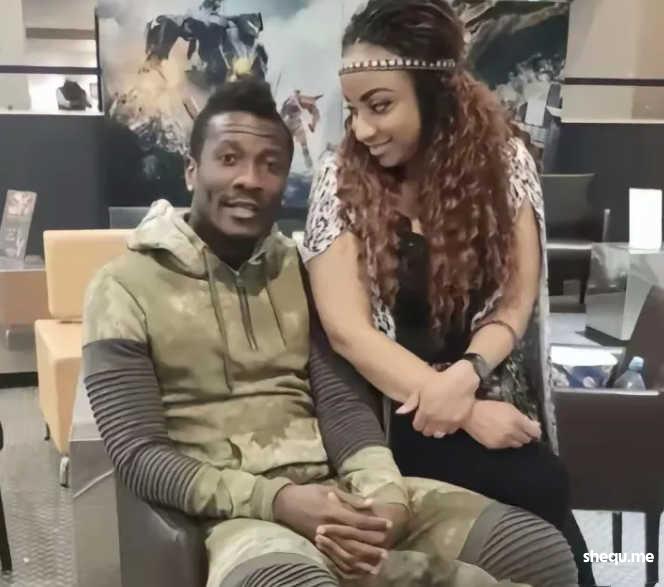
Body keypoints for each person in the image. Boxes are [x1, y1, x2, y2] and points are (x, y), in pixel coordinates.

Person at [83, 78, 577, 587]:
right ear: (192, 169)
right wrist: (277, 501)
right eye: (229, 159)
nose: (250, 179)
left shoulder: (298, 270)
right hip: (237, 514)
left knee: (536, 553)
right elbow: (139, 455)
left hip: (338, 490)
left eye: (271, 165)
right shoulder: (122, 287)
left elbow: (342, 405)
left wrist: (384, 497)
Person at [301, 1, 595, 585]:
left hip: (483, 384)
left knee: (545, 488)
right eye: (354, 109)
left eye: (380, 106)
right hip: (390, 410)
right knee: (538, 486)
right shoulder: (339, 178)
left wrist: (467, 376)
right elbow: (348, 332)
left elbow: (515, 302)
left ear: (435, 93)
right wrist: (464, 412)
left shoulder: (506, 163)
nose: (362, 130)